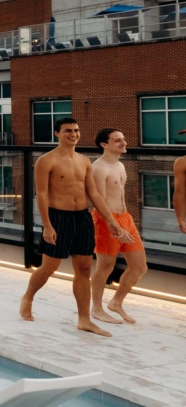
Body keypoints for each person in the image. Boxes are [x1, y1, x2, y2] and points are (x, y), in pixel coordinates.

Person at [20, 117, 130, 336]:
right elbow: (41, 195)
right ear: (57, 134)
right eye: (68, 130)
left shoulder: (84, 161)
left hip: (82, 218)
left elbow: (94, 193)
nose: (73, 134)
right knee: (49, 267)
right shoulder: (46, 160)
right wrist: (47, 225)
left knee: (84, 270)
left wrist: (110, 221)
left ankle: (84, 319)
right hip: (58, 218)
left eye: (76, 130)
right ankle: (28, 297)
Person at [89, 129, 148, 324]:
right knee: (105, 266)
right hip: (106, 220)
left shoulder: (120, 165)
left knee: (139, 266)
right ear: (104, 144)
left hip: (125, 218)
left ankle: (116, 302)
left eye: (123, 139)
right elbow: (99, 201)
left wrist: (123, 223)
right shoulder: (98, 168)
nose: (123, 143)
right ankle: (97, 308)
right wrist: (113, 225)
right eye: (117, 140)